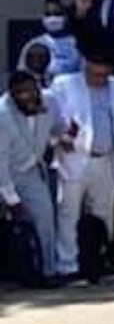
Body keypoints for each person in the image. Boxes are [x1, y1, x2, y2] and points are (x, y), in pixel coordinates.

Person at [47, 45, 114, 283]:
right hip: (74, 156)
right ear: (85, 65)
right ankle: (68, 265)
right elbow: (50, 119)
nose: (100, 78)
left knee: (105, 213)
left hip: (107, 157)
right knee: (69, 212)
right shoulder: (63, 85)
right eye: (96, 73)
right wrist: (57, 139)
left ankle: (100, 260)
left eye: (105, 74)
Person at [0, 72, 58, 283]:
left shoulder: (50, 102)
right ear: (12, 95)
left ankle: (47, 271)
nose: (28, 97)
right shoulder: (2, 116)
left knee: (45, 215)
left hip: (29, 172)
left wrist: (65, 136)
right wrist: (13, 202)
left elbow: (58, 127)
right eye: (21, 94)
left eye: (32, 91)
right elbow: (1, 163)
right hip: (4, 172)